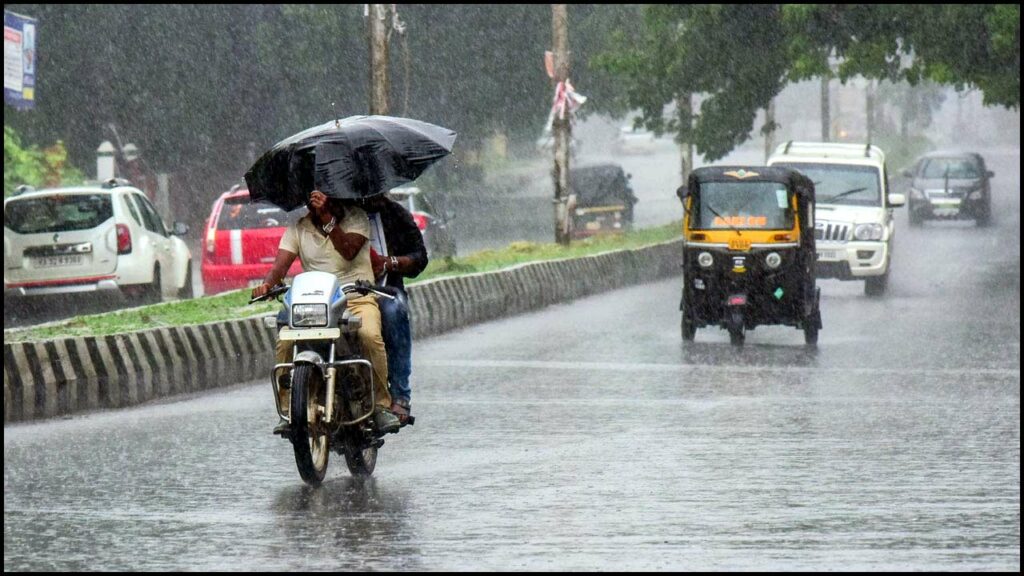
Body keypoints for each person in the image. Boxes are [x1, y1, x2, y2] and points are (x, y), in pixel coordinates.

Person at [252, 190, 400, 436]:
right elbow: (279, 267)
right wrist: (267, 285)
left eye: (323, 197)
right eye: (313, 198)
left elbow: (348, 250)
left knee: (370, 336)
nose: (316, 202)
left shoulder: (357, 218)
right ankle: (288, 409)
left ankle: (381, 406)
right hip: (317, 304)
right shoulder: (298, 229)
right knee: (285, 341)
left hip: (356, 299)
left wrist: (327, 219)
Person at [356, 192, 429, 425]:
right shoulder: (336, 215)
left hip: (385, 290)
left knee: (394, 311)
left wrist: (390, 262)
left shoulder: (396, 214)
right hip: (342, 292)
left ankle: (399, 394)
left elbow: (419, 258)